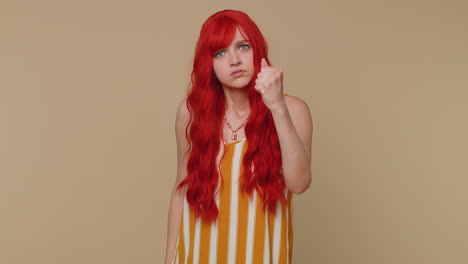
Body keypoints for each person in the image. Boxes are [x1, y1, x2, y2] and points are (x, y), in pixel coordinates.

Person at [165, 9, 313, 264]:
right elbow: (181, 190)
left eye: (242, 47)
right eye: (220, 53)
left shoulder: (293, 110)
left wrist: (277, 106)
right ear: (208, 64)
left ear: (257, 51)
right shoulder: (190, 114)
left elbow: (299, 184)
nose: (234, 60)